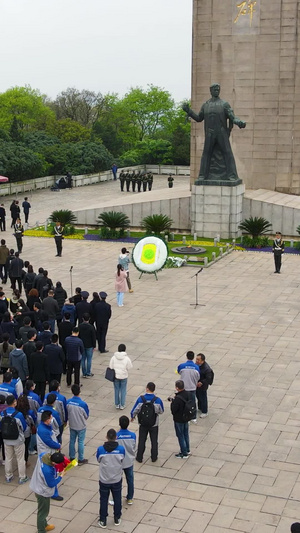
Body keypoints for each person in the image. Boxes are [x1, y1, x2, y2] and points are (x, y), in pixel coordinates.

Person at [182, 83, 246, 181]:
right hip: (210, 133)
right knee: (206, 153)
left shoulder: (224, 104)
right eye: (215, 89)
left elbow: (232, 117)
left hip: (221, 133)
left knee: (228, 153)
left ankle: (232, 175)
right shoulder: (206, 105)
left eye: (218, 89)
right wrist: (188, 111)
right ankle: (203, 176)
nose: (217, 91)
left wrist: (239, 122)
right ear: (210, 91)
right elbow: (199, 118)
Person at [30, 450, 66, 533]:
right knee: (43, 512)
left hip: (38, 486)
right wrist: (61, 476)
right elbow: (51, 483)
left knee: (44, 510)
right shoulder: (47, 470)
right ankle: (41, 530)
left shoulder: (44, 456)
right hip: (42, 492)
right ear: (53, 462)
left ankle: (44, 525)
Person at [96, 428, 125, 528]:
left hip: (104, 479)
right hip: (116, 478)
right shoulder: (121, 449)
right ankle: (117, 518)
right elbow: (122, 459)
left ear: (107, 437)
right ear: (116, 437)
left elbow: (98, 459)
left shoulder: (101, 449)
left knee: (103, 499)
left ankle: (103, 520)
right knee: (117, 498)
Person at [131, 382, 164, 463]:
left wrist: (132, 416)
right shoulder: (158, 400)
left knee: (142, 440)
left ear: (147, 388)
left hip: (143, 423)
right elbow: (161, 411)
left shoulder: (140, 399)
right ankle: (154, 457)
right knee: (154, 441)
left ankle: (139, 457)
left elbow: (134, 410)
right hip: (154, 424)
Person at [0, 394, 29, 483]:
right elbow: (24, 427)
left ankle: (8, 476)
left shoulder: (2, 413)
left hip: (6, 439)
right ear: (14, 402)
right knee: (20, 458)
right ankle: (22, 477)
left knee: (8, 458)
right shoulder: (18, 414)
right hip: (18, 440)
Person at [67, 383, 89, 464]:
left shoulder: (68, 402)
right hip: (81, 425)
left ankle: (72, 457)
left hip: (72, 424)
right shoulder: (83, 404)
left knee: (72, 440)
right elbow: (86, 415)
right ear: (79, 391)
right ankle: (81, 458)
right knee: (80, 442)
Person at [117, 415, 136, 504]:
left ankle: (116, 497)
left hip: (119, 461)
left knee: (117, 480)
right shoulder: (133, 435)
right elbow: (134, 446)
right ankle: (130, 498)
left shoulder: (117, 436)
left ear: (119, 424)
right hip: (129, 461)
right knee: (130, 480)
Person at [177, 351, 200, 423]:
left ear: (186, 356)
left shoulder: (181, 366)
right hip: (192, 387)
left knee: (184, 403)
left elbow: (179, 372)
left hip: (184, 388)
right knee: (192, 402)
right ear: (193, 357)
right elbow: (198, 376)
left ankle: (186, 416)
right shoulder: (196, 367)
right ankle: (193, 417)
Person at [169, 380, 190, 458]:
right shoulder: (188, 394)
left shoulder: (177, 399)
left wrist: (172, 403)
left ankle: (184, 453)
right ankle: (187, 449)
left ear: (177, 388)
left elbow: (174, 410)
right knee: (186, 434)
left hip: (179, 419)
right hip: (186, 417)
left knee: (180, 435)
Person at [109, 344, 132, 409]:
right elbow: (129, 367)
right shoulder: (126, 358)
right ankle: (122, 404)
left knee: (116, 389)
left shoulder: (113, 357)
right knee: (123, 390)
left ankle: (117, 404)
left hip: (116, 376)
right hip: (124, 376)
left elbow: (111, 366)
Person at [16, 393, 36, 464]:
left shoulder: (16, 412)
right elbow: (34, 421)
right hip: (27, 432)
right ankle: (25, 461)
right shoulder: (30, 412)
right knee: (26, 447)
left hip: (18, 432)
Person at [195, 353, 213, 418]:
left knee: (203, 398)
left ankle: (205, 411)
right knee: (198, 396)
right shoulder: (197, 365)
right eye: (196, 359)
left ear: (202, 361)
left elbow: (208, 378)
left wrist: (201, 383)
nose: (196, 361)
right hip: (196, 385)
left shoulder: (206, 369)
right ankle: (200, 408)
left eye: (198, 360)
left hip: (202, 386)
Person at [79, 312, 96, 378]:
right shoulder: (91, 327)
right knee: (89, 359)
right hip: (89, 345)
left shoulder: (80, 326)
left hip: (82, 344)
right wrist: (94, 346)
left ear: (83, 319)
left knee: (82, 359)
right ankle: (88, 372)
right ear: (89, 319)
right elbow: (93, 337)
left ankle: (84, 373)